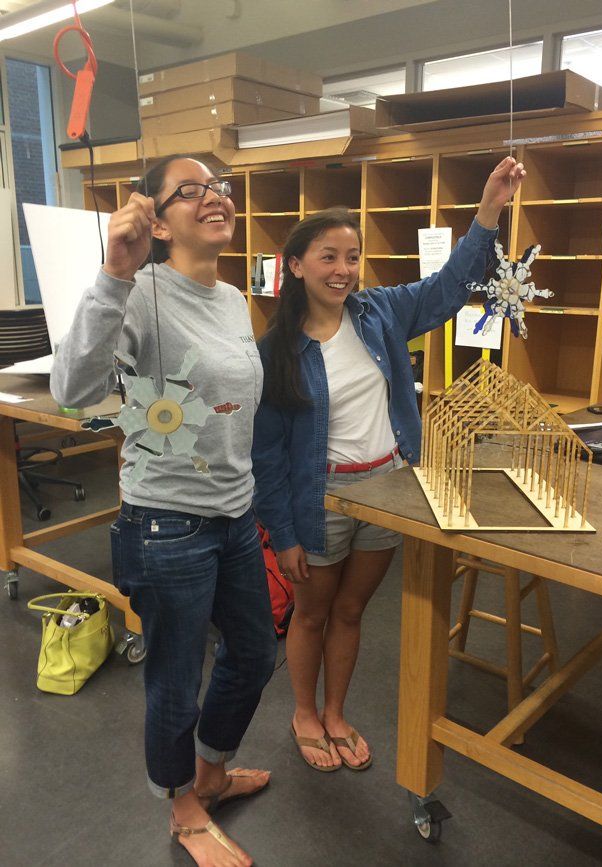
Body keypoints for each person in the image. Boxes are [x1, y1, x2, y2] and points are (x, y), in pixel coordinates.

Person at [252, 156, 525, 772]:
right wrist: (283, 532)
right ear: (295, 266)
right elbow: (264, 454)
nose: (343, 270)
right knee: (313, 613)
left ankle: (337, 712)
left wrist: (488, 210)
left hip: (388, 489)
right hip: (319, 501)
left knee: (351, 612)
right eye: (328, 256)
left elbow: (452, 285)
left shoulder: (378, 313)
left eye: (351, 257)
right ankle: (303, 712)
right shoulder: (274, 352)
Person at [51, 154, 277, 867]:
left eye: (221, 187)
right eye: (192, 190)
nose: (215, 198)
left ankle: (210, 770)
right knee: (175, 679)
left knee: (253, 652)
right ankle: (181, 801)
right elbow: (74, 385)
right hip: (166, 523)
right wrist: (116, 272)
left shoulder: (235, 297)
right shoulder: (140, 290)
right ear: (154, 213)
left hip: (234, 514)